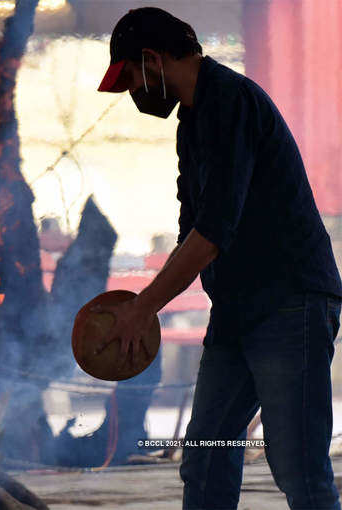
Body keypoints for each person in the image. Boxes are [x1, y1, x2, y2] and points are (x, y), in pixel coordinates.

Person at [93, 6, 342, 510]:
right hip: (238, 310)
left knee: (299, 469)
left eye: (134, 78)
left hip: (290, 303)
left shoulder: (230, 101)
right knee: (206, 455)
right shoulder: (193, 122)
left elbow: (212, 234)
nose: (135, 94)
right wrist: (151, 303)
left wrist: (143, 307)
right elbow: (191, 231)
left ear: (153, 59)